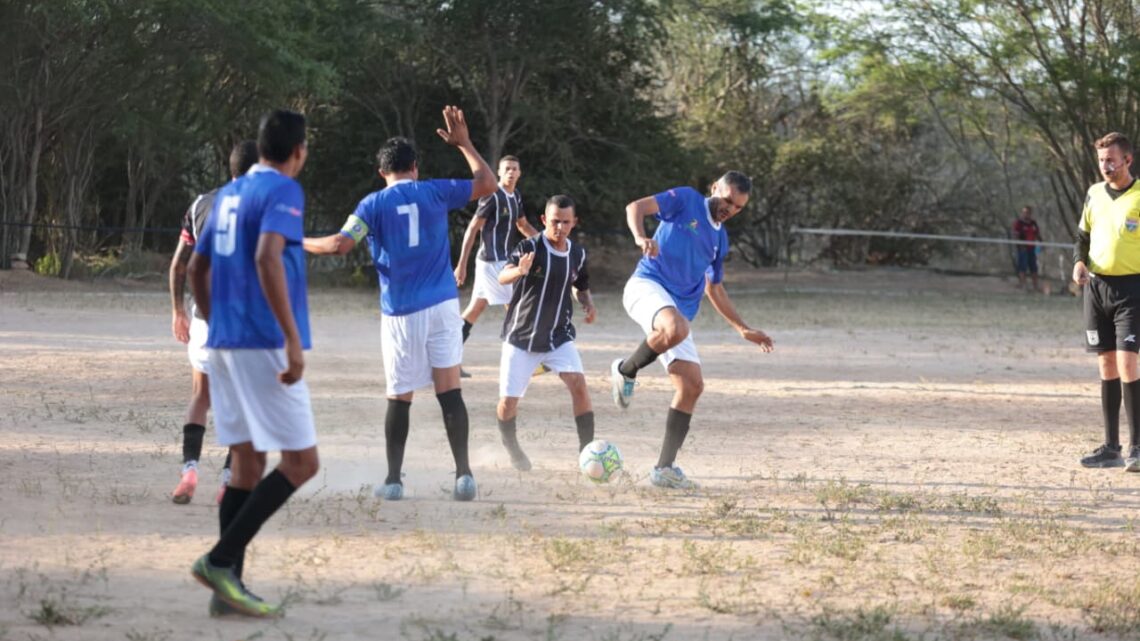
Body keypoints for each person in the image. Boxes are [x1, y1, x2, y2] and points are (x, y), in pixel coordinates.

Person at [303, 106, 496, 501]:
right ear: (415, 168)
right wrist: (464, 144)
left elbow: (340, 245)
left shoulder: (372, 204)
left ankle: (393, 481)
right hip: (443, 306)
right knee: (450, 391)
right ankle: (464, 476)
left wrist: (296, 240)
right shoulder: (435, 190)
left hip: (402, 313)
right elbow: (488, 183)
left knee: (399, 395)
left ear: (382, 172)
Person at [187, 110, 319, 618]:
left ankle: (227, 593)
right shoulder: (283, 189)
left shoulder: (228, 193)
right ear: (298, 151)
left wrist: (217, 320)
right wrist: (291, 340)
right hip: (262, 342)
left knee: (246, 465)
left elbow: (197, 267)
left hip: (222, 342)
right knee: (302, 462)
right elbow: (268, 257)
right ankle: (220, 562)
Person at [609, 172, 774, 489]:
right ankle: (626, 370)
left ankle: (664, 469)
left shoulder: (720, 240)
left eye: (738, 207)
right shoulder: (686, 199)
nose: (730, 209)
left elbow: (715, 288)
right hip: (647, 285)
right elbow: (635, 207)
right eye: (727, 200)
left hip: (678, 315)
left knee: (692, 386)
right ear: (714, 188)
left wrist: (743, 329)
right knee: (676, 327)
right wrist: (640, 238)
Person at [168, 140, 258, 505]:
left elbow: (179, 265)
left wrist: (178, 310)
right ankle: (228, 481)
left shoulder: (200, 205)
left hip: (204, 318)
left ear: (231, 168)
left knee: (200, 396)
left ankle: (189, 470)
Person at [495, 195, 597, 470]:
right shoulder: (529, 247)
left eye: (566, 222)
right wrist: (519, 270)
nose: (560, 227)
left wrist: (587, 303)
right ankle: (511, 446)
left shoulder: (578, 254)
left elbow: (580, 284)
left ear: (574, 222)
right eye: (554, 222)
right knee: (508, 403)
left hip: (558, 336)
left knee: (579, 385)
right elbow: (502, 276)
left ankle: (587, 453)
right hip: (521, 337)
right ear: (543, 220)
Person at [1074, 132, 1140, 472]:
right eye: (1101, 160)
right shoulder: (1094, 194)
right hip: (1097, 289)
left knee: (1129, 363)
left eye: (1111, 159)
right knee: (1107, 364)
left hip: (1132, 289)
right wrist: (1078, 261)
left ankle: (1137, 447)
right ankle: (1111, 448)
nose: (1106, 165)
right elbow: (1082, 236)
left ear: (1128, 160)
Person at [454, 155, 539, 377]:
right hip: (492, 262)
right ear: (499, 172)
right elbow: (473, 228)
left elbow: (523, 226)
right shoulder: (492, 196)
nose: (511, 172)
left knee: (475, 310)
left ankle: (447, 359)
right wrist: (461, 265)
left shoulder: (515, 196)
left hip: (501, 262)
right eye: (507, 168)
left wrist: (545, 242)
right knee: (515, 308)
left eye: (514, 169)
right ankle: (529, 359)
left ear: (520, 173)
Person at [1012, 205, 1042, 292]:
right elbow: (1016, 235)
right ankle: (1023, 286)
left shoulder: (1033, 223)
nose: (1026, 214)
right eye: (1024, 212)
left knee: (1034, 268)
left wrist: (1041, 242)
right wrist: (1021, 246)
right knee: (1023, 267)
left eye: (1028, 212)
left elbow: (1037, 234)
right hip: (1023, 249)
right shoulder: (1019, 223)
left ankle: (1035, 287)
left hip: (1032, 248)